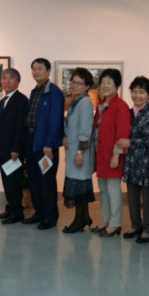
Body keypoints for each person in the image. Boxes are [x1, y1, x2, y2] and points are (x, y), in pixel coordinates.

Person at [115, 76, 149, 243]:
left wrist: (131, 143)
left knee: (148, 199)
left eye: (141, 92)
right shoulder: (127, 113)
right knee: (132, 197)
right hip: (131, 162)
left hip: (148, 162)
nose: (137, 95)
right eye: (134, 91)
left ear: (148, 95)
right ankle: (136, 226)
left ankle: (148, 230)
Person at [22, 58, 64, 230]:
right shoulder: (35, 91)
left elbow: (55, 121)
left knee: (46, 181)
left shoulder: (53, 92)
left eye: (40, 68)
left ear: (48, 71)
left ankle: (50, 216)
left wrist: (49, 144)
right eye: (33, 68)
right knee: (34, 180)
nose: (36, 71)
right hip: (31, 142)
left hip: (45, 145)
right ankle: (39, 213)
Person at [91, 68, 130, 238]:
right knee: (103, 190)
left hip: (113, 155)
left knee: (113, 190)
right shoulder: (101, 104)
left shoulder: (120, 106)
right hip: (101, 154)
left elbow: (122, 133)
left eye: (109, 82)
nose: (105, 86)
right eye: (103, 83)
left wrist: (116, 154)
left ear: (117, 85)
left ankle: (115, 224)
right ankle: (105, 220)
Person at [61, 68, 95, 233]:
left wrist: (80, 153)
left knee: (80, 187)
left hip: (81, 151)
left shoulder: (85, 103)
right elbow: (72, 125)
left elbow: (86, 131)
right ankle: (85, 217)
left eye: (79, 83)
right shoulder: (75, 102)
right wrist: (65, 136)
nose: (74, 85)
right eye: (73, 82)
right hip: (73, 149)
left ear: (87, 86)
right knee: (77, 184)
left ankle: (78, 221)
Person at [0, 68, 28, 224]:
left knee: (14, 182)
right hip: (2, 149)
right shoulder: (3, 101)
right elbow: (0, 127)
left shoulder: (21, 100)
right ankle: (10, 208)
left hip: (13, 151)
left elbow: (20, 127)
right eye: (4, 78)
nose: (7, 81)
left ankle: (17, 213)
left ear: (17, 82)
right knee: (7, 182)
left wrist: (16, 149)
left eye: (11, 78)